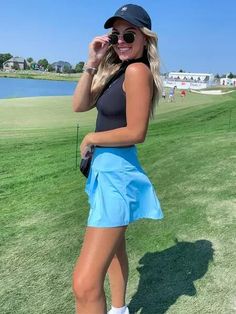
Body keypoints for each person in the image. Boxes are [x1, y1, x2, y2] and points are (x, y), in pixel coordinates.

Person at [72, 4, 164, 314]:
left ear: (145, 39)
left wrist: (92, 137)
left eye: (129, 34)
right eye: (116, 35)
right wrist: (91, 63)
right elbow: (79, 105)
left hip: (117, 176)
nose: (121, 41)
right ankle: (119, 309)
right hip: (105, 172)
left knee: (84, 284)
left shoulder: (137, 71)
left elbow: (137, 131)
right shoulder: (116, 71)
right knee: (114, 252)